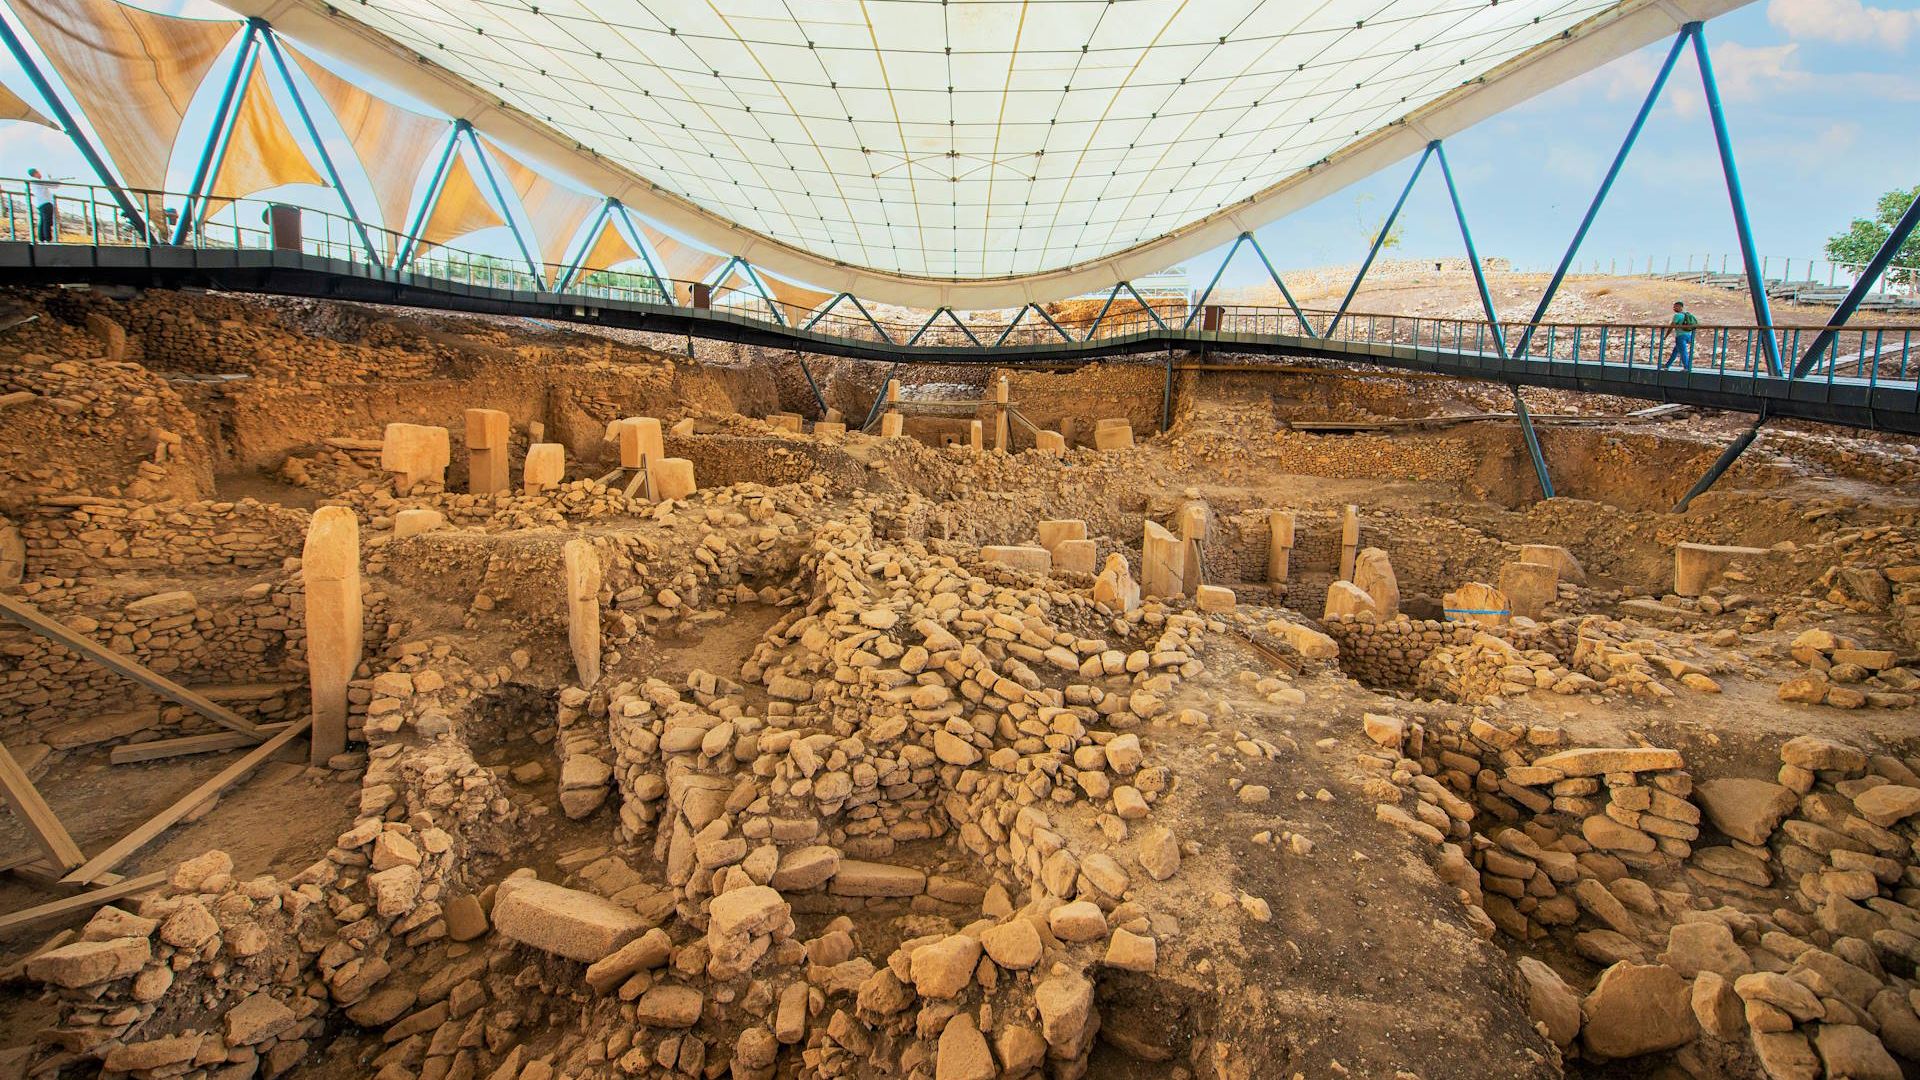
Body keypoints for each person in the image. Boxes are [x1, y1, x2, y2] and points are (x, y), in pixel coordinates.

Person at [27, 168, 63, 243]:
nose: (40, 174)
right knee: (47, 221)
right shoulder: (38, 182)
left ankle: (42, 238)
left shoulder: (34, 183)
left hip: (40, 204)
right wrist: (54, 180)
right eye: (38, 172)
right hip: (46, 203)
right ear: (35, 173)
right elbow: (53, 186)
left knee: (43, 221)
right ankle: (48, 239)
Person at [1661, 300, 1698, 371]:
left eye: (1675, 307)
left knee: (1683, 351)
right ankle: (1667, 365)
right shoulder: (1686, 315)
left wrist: (1666, 336)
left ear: (1680, 307)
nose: (1674, 308)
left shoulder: (1677, 315)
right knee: (1675, 351)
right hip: (1689, 335)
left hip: (1681, 336)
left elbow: (1672, 326)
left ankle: (1686, 367)